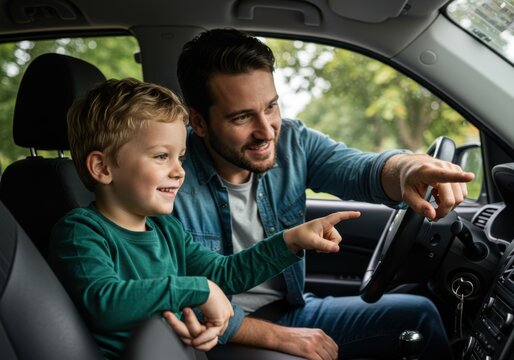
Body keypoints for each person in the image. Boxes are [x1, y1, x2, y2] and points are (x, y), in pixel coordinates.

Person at [171, 28, 475, 360]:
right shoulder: (167, 179)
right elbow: (172, 296)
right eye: (242, 117)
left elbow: (361, 169)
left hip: (290, 307)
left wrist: (406, 169)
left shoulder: (292, 141)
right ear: (199, 123)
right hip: (220, 332)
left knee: (420, 314)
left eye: (271, 107)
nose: (266, 130)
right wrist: (278, 337)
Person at [48, 77, 361, 360]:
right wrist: (199, 289)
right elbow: (104, 304)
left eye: (180, 157)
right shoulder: (82, 233)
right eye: (161, 156)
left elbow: (223, 273)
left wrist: (290, 241)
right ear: (102, 168)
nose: (179, 170)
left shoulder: (165, 228)